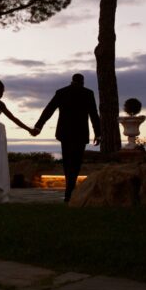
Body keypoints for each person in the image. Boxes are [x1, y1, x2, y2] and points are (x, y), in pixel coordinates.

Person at [33, 74, 101, 203]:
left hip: (65, 132)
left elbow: (49, 110)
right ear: (82, 81)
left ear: (72, 81)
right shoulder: (87, 93)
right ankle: (70, 190)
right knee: (76, 163)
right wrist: (98, 133)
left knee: (68, 162)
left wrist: (38, 126)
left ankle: (69, 191)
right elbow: (94, 114)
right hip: (80, 133)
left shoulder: (62, 92)